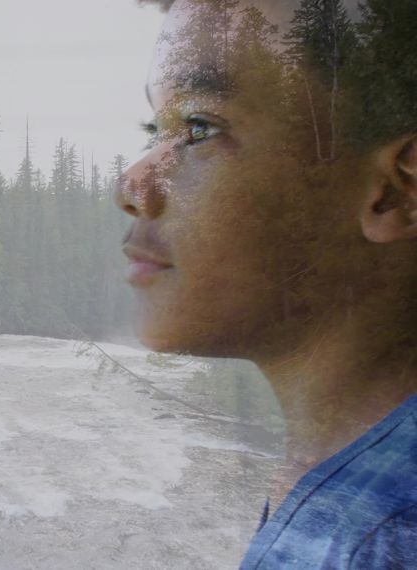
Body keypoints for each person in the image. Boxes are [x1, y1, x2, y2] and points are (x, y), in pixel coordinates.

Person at [118, 0, 417, 566]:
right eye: (153, 128)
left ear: (395, 191)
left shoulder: (387, 538)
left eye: (198, 127)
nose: (132, 183)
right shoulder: (356, 488)